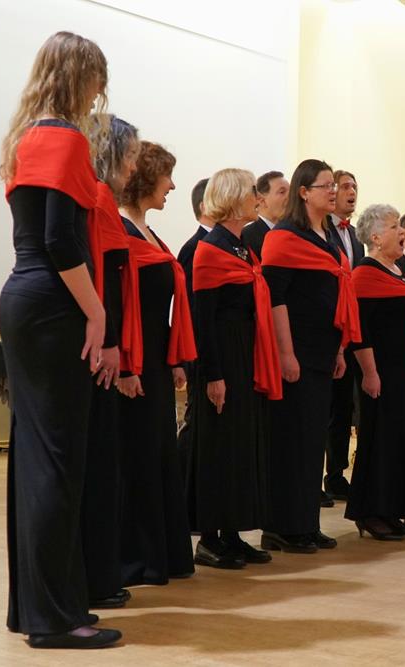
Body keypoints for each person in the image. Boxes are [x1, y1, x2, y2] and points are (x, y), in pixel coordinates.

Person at [0, 31, 121, 649]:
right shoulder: (65, 138)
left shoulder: (27, 137)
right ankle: (53, 619)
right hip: (53, 305)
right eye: (97, 80)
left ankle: (39, 608)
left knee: (37, 458)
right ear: (79, 77)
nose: (99, 94)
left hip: (28, 301)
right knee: (57, 461)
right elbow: (59, 240)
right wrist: (97, 314)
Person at [260, 159, 361, 553]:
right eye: (326, 186)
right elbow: (276, 299)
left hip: (323, 350)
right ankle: (281, 527)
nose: (333, 191)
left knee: (312, 440)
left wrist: (339, 348)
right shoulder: (284, 236)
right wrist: (286, 353)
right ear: (304, 192)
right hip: (297, 351)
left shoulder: (328, 237)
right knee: (292, 440)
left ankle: (305, 522)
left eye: (334, 185)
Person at [191, 168, 282, 568]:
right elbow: (203, 320)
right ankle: (210, 538)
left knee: (240, 446)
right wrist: (214, 375)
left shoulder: (241, 247)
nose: (257, 199)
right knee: (218, 447)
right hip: (223, 358)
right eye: (250, 193)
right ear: (231, 197)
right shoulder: (210, 249)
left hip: (245, 355)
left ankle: (232, 533)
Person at [117, 141, 197, 584]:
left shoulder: (149, 234)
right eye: (167, 176)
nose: (173, 186)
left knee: (158, 453)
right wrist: (127, 367)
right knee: (136, 456)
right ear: (148, 178)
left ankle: (161, 555)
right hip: (133, 360)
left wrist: (175, 358)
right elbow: (117, 305)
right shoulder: (119, 229)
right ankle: (135, 557)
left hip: (156, 360)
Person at [346, 204, 405, 540]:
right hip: (381, 371)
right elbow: (361, 332)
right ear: (375, 237)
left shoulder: (399, 270)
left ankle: (394, 508)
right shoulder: (364, 274)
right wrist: (370, 373)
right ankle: (371, 512)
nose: (402, 232)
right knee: (380, 441)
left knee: (402, 440)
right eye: (395, 226)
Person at [81, 113, 140, 611]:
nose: (135, 166)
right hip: (102, 347)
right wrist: (114, 346)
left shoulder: (96, 197)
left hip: (100, 341)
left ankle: (99, 574)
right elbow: (108, 280)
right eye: (132, 155)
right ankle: (98, 577)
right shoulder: (99, 198)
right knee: (99, 464)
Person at [325, 169, 365, 504]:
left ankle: (336, 474)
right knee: (326, 407)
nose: (352, 192)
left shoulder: (354, 235)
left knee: (343, 406)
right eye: (346, 186)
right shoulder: (322, 230)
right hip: (329, 329)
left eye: (355, 186)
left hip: (351, 330)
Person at [176, 177, 213, 528]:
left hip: (205, 348)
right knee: (196, 424)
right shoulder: (195, 248)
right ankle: (184, 505)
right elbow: (191, 308)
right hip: (198, 348)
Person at [243, 171, 289, 260]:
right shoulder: (247, 236)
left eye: (291, 191)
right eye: (282, 192)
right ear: (262, 201)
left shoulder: (294, 230)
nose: (290, 196)